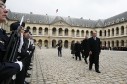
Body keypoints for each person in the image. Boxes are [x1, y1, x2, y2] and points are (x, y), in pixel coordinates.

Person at [0, 0, 23, 82]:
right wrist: (16, 66)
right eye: (1, 6)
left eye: (4, 6)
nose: (6, 10)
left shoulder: (2, 33)